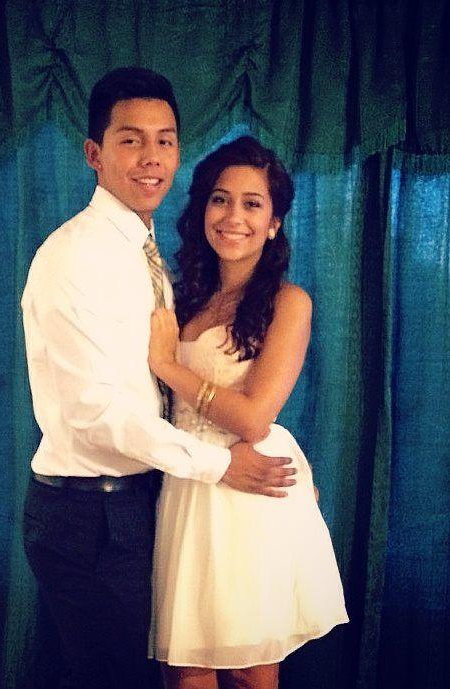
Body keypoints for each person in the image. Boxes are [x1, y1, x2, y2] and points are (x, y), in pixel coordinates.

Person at [21, 68, 298, 689]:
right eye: (130, 140)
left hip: (149, 498)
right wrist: (218, 464)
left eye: (165, 140)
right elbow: (95, 412)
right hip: (92, 511)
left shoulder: (147, 256)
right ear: (94, 153)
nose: (151, 158)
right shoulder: (76, 257)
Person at [147, 136, 349, 689]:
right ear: (202, 210)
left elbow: (256, 418)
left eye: (252, 203)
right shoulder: (180, 298)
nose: (233, 216)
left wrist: (167, 364)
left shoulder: (289, 302)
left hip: (250, 483)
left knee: (249, 669)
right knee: (186, 670)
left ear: (274, 223)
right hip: (187, 480)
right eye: (220, 199)